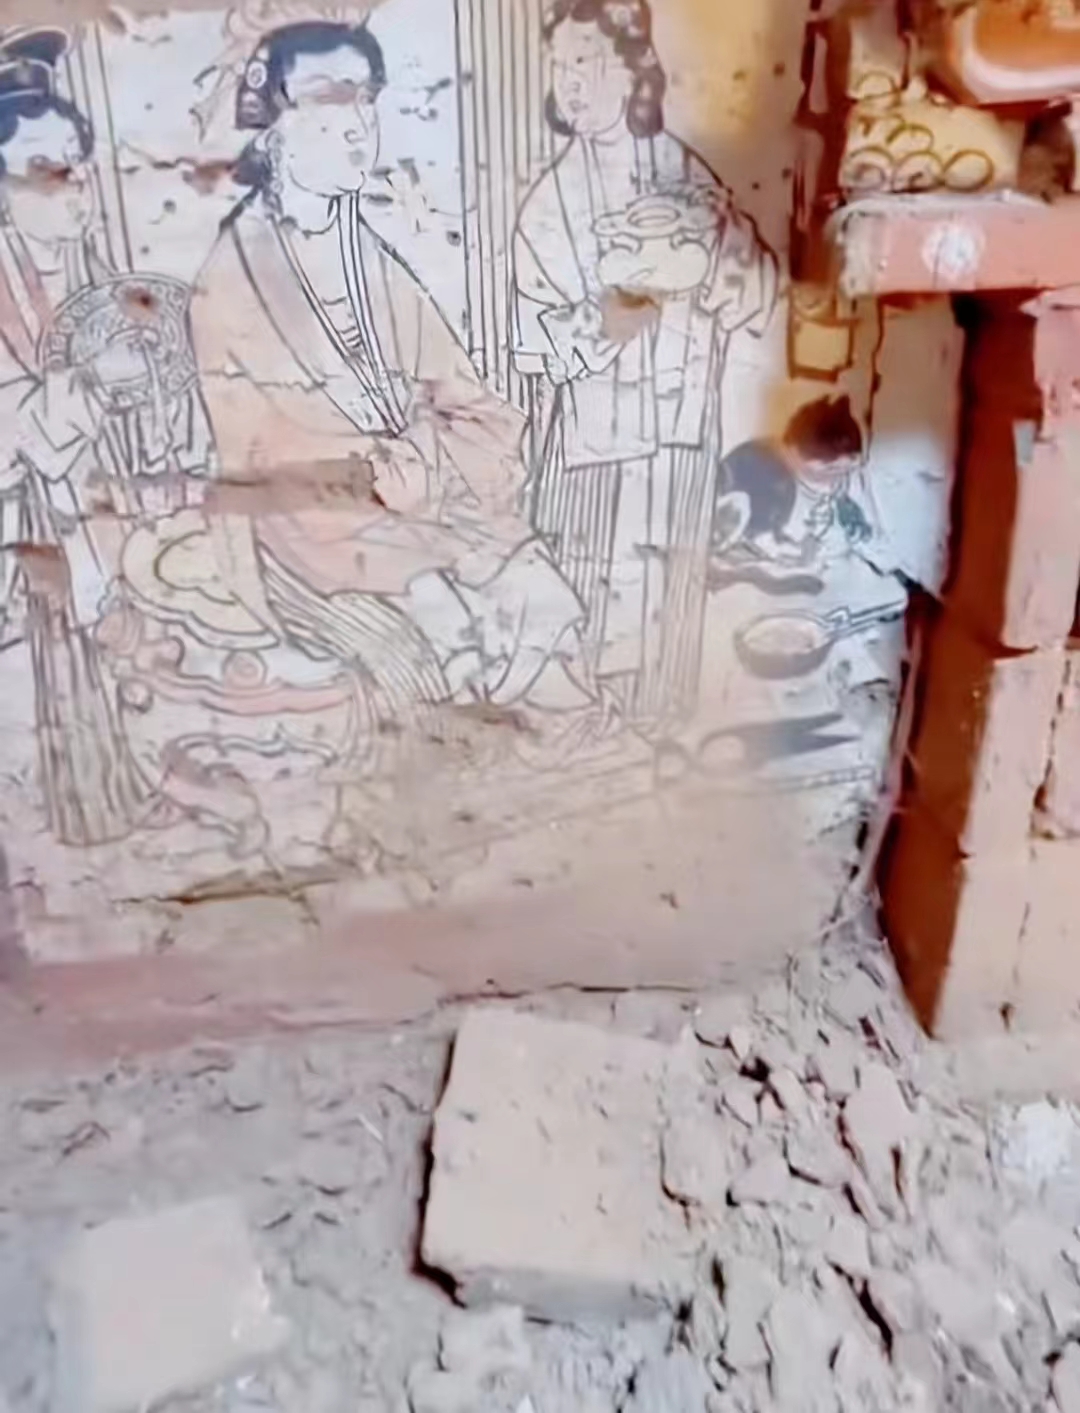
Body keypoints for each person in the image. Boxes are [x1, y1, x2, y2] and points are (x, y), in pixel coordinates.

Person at [169, 18, 592, 775]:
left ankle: (570, 754)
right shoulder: (233, 275)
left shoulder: (366, 250)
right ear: (274, 122)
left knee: (538, 587)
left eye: (365, 98)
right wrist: (392, 471)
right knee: (445, 619)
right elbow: (260, 459)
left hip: (414, 492)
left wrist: (430, 458)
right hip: (310, 521)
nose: (358, 123)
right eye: (328, 99)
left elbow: (459, 391)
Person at [513, 0, 779, 733]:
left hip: (680, 425)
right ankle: (581, 727)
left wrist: (709, 270)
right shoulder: (548, 202)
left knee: (668, 593)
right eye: (560, 65)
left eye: (587, 61)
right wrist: (605, 319)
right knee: (590, 599)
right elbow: (531, 338)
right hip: (593, 439)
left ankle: (661, 730)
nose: (571, 82)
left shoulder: (687, 175)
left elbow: (756, 284)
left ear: (634, 69)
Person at [0, 28, 205, 846]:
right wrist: (86, 387)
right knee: (66, 649)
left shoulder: (84, 269)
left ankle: (127, 783)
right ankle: (85, 805)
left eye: (76, 167)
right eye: (43, 171)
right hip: (28, 504)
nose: (71, 189)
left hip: (93, 483)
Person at [709, 395, 873, 592]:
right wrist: (797, 554)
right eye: (830, 469)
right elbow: (761, 535)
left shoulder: (838, 484)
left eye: (846, 470)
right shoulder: (764, 471)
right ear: (793, 452)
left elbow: (858, 529)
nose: (836, 478)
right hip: (742, 546)